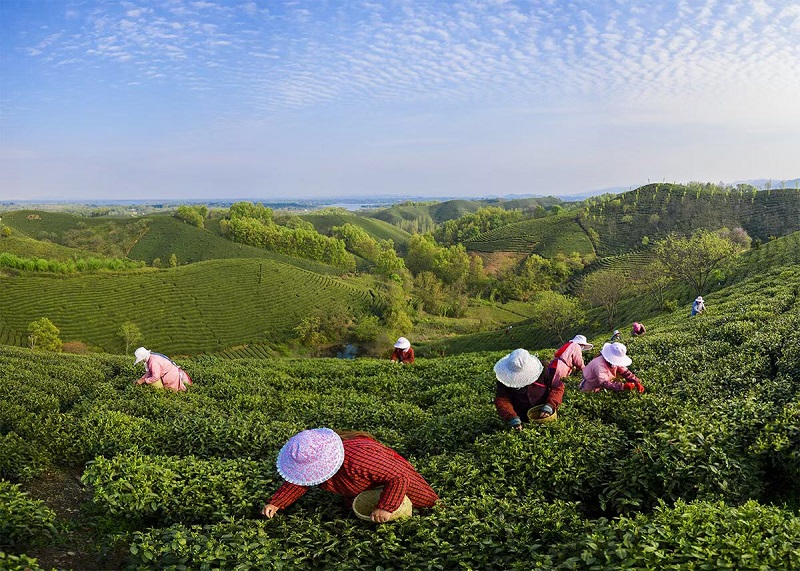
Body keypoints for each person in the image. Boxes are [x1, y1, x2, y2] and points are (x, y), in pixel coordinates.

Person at [262, 428, 438, 523]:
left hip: (399, 482)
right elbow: (300, 480)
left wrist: (386, 507)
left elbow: (399, 476)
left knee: (427, 508)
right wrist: (276, 503)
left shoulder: (358, 458)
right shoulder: (319, 465)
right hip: (361, 488)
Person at [493, 348, 562, 429]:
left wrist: (550, 405)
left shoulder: (544, 369)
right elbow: (502, 399)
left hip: (545, 411)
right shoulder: (504, 377)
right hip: (520, 416)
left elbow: (558, 387)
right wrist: (512, 417)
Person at [580, 342, 644, 393]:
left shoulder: (614, 362)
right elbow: (604, 383)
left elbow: (626, 372)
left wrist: (636, 382)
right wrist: (623, 387)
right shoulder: (599, 364)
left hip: (599, 385)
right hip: (589, 387)